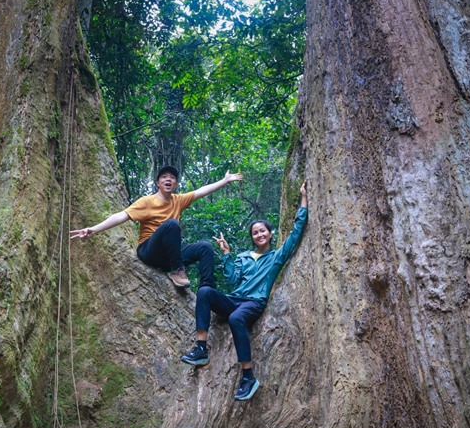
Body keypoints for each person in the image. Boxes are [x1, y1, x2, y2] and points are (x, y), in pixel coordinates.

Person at [180, 182, 308, 401]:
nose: (259, 235)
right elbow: (231, 279)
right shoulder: (243, 257)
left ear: (269, 233)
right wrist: (227, 254)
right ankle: (201, 348)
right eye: (255, 233)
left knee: (236, 317)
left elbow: (296, 233)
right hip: (234, 299)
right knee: (205, 292)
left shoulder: (276, 257)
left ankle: (248, 376)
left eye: (262, 231)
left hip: (254, 302)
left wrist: (304, 199)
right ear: (252, 237)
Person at [70, 166, 243, 288]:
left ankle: (207, 291)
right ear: (158, 182)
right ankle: (177, 271)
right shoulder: (147, 201)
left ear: (175, 184)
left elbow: (202, 191)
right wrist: (94, 229)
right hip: (148, 251)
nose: (169, 179)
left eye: (172, 177)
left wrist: (225, 181)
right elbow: (122, 215)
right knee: (172, 224)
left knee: (205, 247)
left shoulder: (179, 200)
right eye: (164, 177)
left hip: (169, 255)